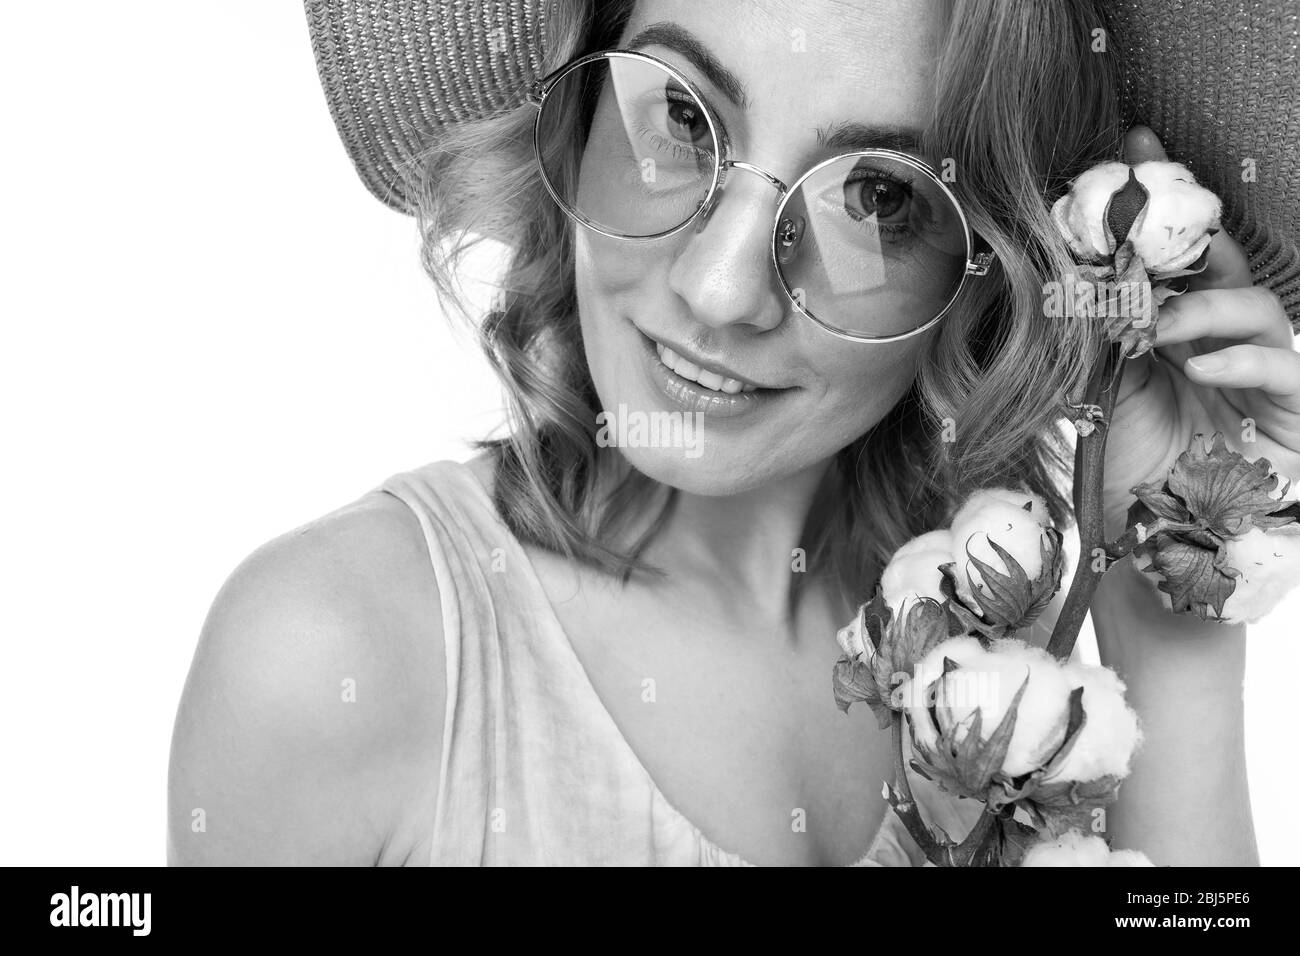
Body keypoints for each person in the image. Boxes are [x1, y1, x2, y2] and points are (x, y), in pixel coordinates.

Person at [167, 0, 1299, 866]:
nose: (718, 288)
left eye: (877, 199)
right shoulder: (335, 653)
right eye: (679, 116)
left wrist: (1173, 603)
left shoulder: (1012, 673)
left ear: (995, 255)